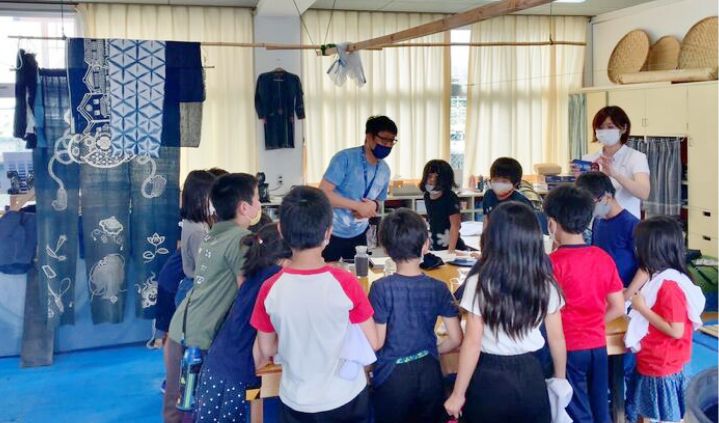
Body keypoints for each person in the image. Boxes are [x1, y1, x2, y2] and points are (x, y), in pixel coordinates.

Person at [251, 186, 379, 422]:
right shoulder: (345, 282)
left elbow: (267, 349)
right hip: (345, 396)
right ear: (328, 233)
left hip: (296, 400)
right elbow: (372, 341)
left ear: (280, 230)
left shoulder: (269, 288)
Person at [444, 202, 567, 423]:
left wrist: (458, 393)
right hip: (532, 374)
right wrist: (560, 378)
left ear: (492, 237)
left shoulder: (479, 282)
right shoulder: (546, 283)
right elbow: (557, 339)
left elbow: (472, 342)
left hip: (489, 376)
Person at [163, 173, 261, 423]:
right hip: (200, 339)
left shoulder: (213, 233)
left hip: (181, 328)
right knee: (195, 410)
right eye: (258, 198)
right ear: (244, 207)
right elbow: (246, 294)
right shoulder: (241, 239)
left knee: (179, 407)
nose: (260, 204)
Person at [369, 208, 463, 423]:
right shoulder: (438, 288)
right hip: (429, 372)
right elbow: (457, 339)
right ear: (426, 245)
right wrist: (430, 350)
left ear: (386, 248)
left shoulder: (381, 288)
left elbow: (377, 342)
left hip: (392, 377)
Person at [543, 185, 625, 423]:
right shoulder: (602, 257)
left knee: (576, 410)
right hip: (598, 345)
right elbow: (618, 307)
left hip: (569, 348)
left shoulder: (551, 263)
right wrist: (594, 322)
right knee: (601, 407)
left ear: (552, 223)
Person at [195, 223, 292, 422]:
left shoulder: (255, 271)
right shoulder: (277, 280)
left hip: (217, 364)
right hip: (238, 373)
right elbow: (263, 352)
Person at [625, 217, 705, 423]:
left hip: (662, 364)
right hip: (654, 360)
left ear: (651, 249)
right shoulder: (662, 277)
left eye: (639, 244)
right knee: (647, 411)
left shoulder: (669, 286)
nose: (636, 248)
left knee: (661, 415)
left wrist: (641, 309)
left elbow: (676, 330)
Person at [319, 115, 396, 261]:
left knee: (359, 277)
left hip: (359, 233)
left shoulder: (385, 170)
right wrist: (358, 206)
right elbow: (323, 193)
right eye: (383, 140)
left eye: (391, 141)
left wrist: (372, 206)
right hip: (331, 231)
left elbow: (379, 202)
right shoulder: (345, 158)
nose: (387, 145)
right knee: (329, 276)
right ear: (369, 136)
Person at [576, 106, 650, 219]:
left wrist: (614, 174)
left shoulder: (636, 157)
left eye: (610, 127)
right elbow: (583, 198)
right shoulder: (588, 159)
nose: (605, 131)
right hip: (595, 223)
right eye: (600, 127)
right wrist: (577, 179)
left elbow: (644, 193)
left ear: (624, 128)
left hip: (626, 226)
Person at [576, 171, 640, 287]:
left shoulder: (632, 225)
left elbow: (645, 267)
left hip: (624, 293)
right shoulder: (598, 221)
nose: (589, 210)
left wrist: (627, 295)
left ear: (607, 197)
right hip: (602, 289)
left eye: (591, 203)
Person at [176, 170, 216, 306]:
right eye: (212, 196)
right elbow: (204, 268)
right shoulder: (197, 231)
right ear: (200, 198)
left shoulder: (197, 222)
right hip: (193, 289)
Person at [419, 160, 467, 252]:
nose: (432, 180)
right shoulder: (427, 196)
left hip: (453, 246)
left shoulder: (450, 197)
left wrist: (451, 251)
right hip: (436, 245)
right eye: (429, 176)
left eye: (436, 177)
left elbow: (455, 225)